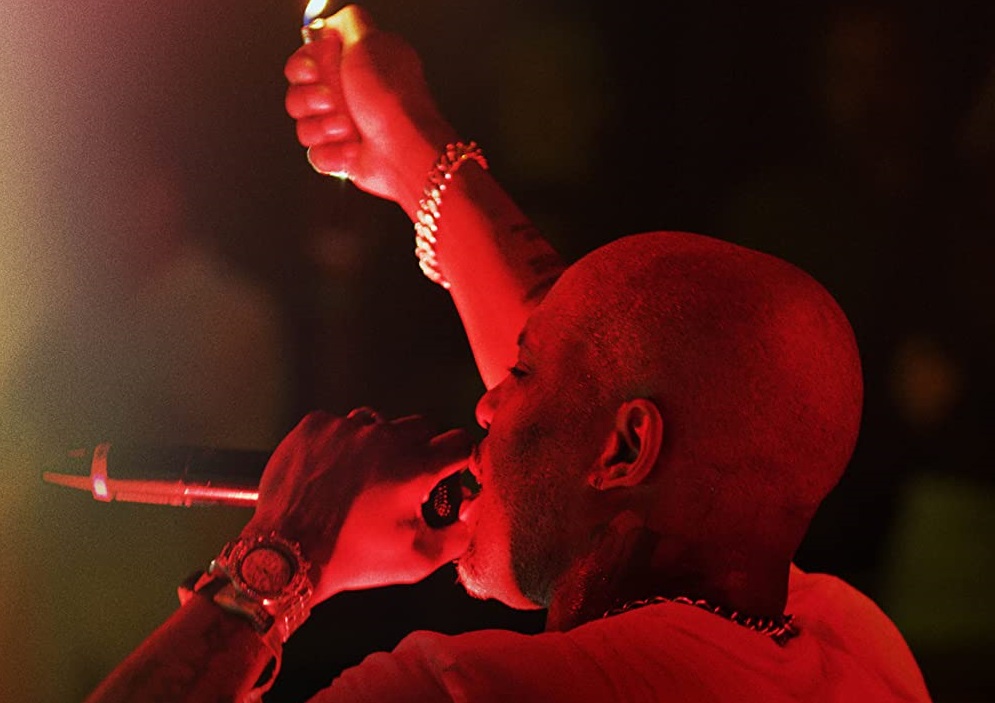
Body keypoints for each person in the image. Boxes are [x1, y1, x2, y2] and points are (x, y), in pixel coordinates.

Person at [84, 5, 931, 702]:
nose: (488, 402)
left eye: (519, 374)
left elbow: (591, 370)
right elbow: (602, 367)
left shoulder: (468, 688)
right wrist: (408, 142)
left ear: (626, 448)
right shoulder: (851, 642)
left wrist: (280, 558)